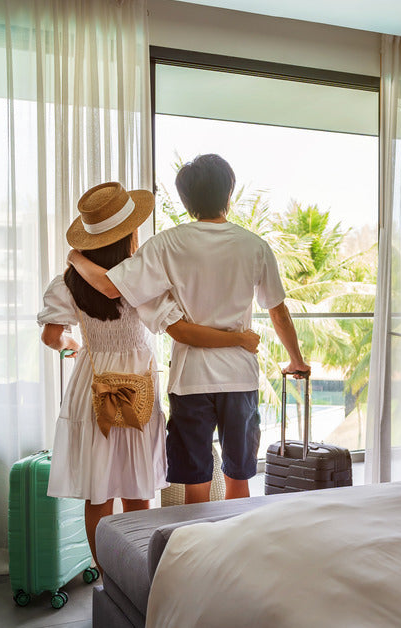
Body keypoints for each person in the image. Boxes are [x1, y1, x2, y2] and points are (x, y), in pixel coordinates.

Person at [38, 181, 260, 568]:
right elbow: (170, 323)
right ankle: (137, 573)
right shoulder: (143, 280)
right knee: (136, 488)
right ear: (128, 235)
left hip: (92, 388)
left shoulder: (68, 282)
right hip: (137, 387)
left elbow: (52, 335)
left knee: (98, 493)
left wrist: (73, 345)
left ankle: (108, 576)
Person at [68, 154, 310, 505]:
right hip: (239, 378)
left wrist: (74, 257)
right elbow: (279, 311)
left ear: (185, 201)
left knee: (196, 486)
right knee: (238, 480)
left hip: (190, 380)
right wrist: (296, 360)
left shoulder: (167, 243)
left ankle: (199, 556)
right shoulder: (254, 246)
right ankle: (235, 554)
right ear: (229, 192)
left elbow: (109, 286)